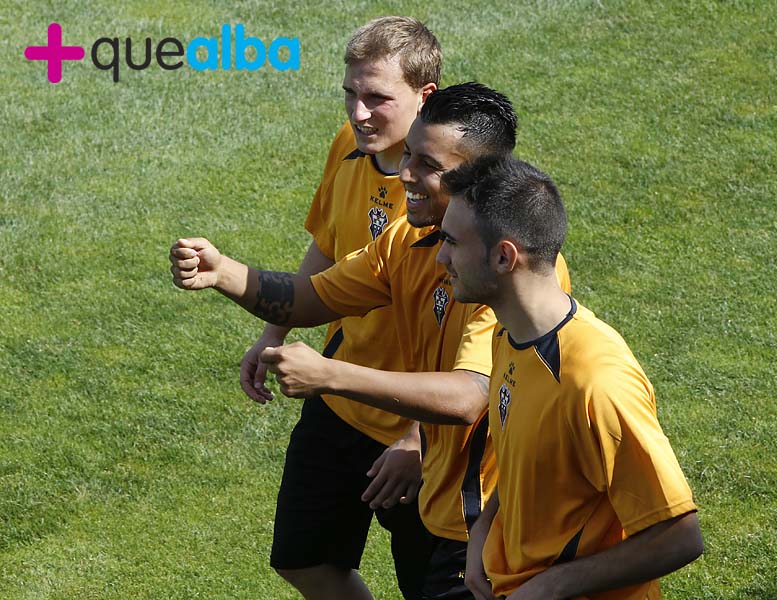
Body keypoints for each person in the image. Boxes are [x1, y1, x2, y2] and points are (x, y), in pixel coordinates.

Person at [172, 83, 569, 598]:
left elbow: (471, 396)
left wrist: (331, 375)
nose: (405, 175)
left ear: (481, 179)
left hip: (489, 514)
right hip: (442, 501)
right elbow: (313, 297)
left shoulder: (505, 272)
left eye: (427, 164)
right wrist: (222, 271)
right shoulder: (409, 241)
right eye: (408, 156)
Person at [433, 156, 703, 600]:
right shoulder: (508, 335)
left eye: (451, 242)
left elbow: (679, 535)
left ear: (504, 257)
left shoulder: (596, 381)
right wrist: (484, 526)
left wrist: (554, 585)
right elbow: (531, 461)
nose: (441, 256)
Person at [238, 16, 441, 600]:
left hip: (418, 419)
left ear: (424, 97)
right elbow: (327, 246)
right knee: (303, 558)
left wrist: (418, 439)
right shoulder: (348, 149)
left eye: (377, 97)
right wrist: (276, 332)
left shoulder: (445, 194)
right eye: (351, 94)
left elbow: (479, 343)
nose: (359, 113)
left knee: (428, 588)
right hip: (342, 397)